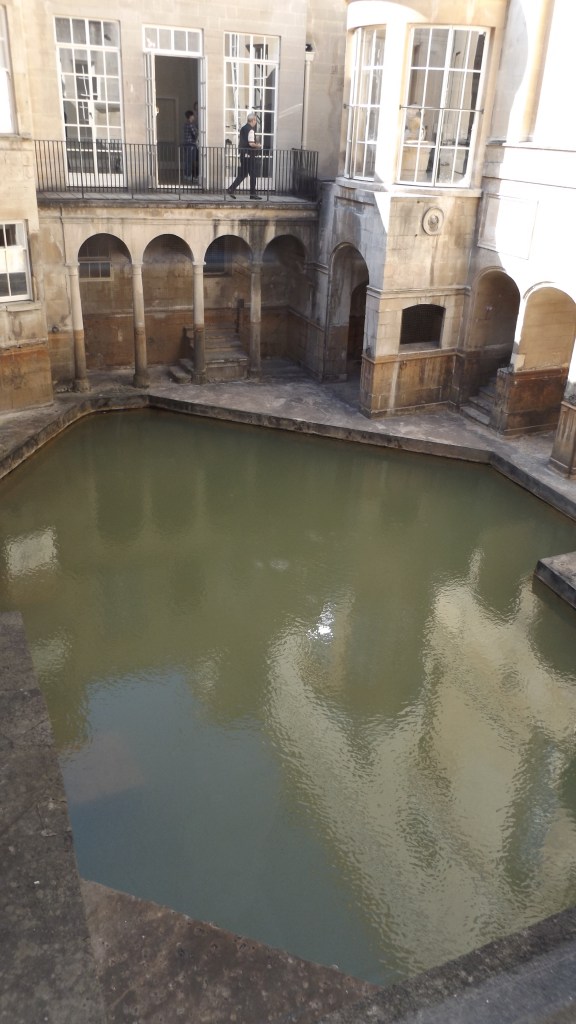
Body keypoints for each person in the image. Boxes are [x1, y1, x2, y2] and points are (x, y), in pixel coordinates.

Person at [226, 112, 262, 200]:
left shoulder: (243, 128)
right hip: (249, 155)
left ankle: (231, 189)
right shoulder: (251, 130)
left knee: (242, 174)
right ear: (253, 120)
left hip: (243, 154)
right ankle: (253, 194)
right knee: (253, 174)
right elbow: (251, 143)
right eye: (255, 120)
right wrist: (258, 145)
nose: (255, 122)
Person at [182, 109, 198, 181]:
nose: (194, 117)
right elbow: (195, 134)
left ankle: (186, 175)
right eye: (193, 115)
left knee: (187, 160)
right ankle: (189, 175)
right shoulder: (190, 124)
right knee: (190, 161)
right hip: (191, 144)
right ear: (190, 116)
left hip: (186, 144)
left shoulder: (186, 124)